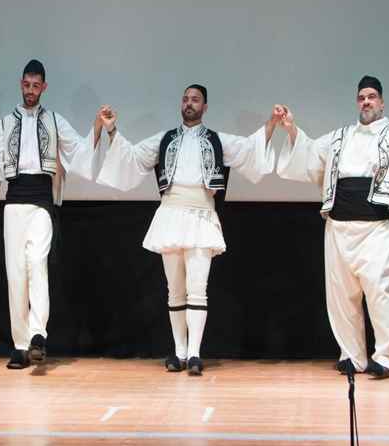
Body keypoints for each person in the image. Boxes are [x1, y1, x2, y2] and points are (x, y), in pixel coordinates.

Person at [95, 85, 278, 375]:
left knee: (198, 289)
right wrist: (112, 130)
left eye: (195, 100)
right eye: (185, 99)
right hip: (170, 214)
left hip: (202, 215)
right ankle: (179, 351)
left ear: (205, 107)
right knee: (174, 289)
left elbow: (249, 149)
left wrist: (271, 124)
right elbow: (132, 157)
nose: (189, 104)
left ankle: (194, 353)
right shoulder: (165, 139)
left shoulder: (217, 140)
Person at [276, 76, 389, 378]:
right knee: (342, 296)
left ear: (382, 103)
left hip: (378, 228)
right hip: (340, 227)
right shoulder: (339, 136)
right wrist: (290, 129)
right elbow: (309, 154)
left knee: (380, 294)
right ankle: (353, 356)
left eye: (372, 97)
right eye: (361, 97)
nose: (366, 102)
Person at [0, 59, 99, 369]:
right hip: (14, 202)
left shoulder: (54, 121)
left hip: (41, 202)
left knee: (37, 263)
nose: (30, 90)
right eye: (26, 85)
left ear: (44, 88)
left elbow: (78, 151)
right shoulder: (6, 122)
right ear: (21, 84)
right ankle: (21, 345)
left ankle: (38, 335)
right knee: (16, 274)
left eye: (36, 86)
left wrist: (97, 127)